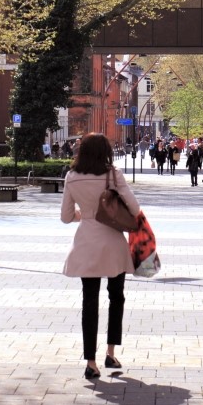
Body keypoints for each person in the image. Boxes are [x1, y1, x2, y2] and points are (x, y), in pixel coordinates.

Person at [61, 133, 140, 380]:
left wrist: (84, 214)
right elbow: (135, 209)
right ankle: (110, 352)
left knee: (89, 302)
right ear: (105, 150)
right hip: (113, 243)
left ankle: (91, 363)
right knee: (116, 297)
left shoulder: (72, 177)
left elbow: (65, 216)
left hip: (86, 244)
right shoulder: (112, 174)